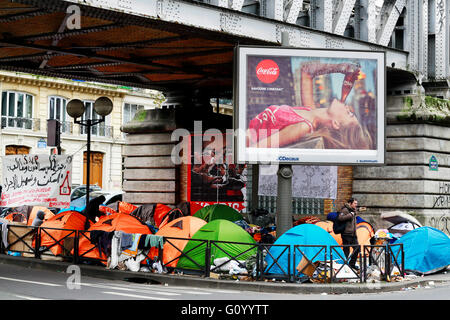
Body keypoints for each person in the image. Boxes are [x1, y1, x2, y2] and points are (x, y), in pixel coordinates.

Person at [246, 61, 372, 149]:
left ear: (336, 124)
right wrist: (340, 67)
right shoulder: (310, 111)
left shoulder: (303, 127)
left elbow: (256, 148)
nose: (347, 107)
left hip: (239, 142)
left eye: (349, 113)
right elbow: (306, 70)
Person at [338, 198, 361, 271]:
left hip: (353, 234)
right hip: (346, 234)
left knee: (357, 248)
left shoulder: (353, 210)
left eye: (356, 203)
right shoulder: (345, 210)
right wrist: (350, 215)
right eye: (355, 203)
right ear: (350, 203)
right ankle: (344, 266)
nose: (356, 205)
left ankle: (352, 264)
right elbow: (340, 218)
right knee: (346, 251)